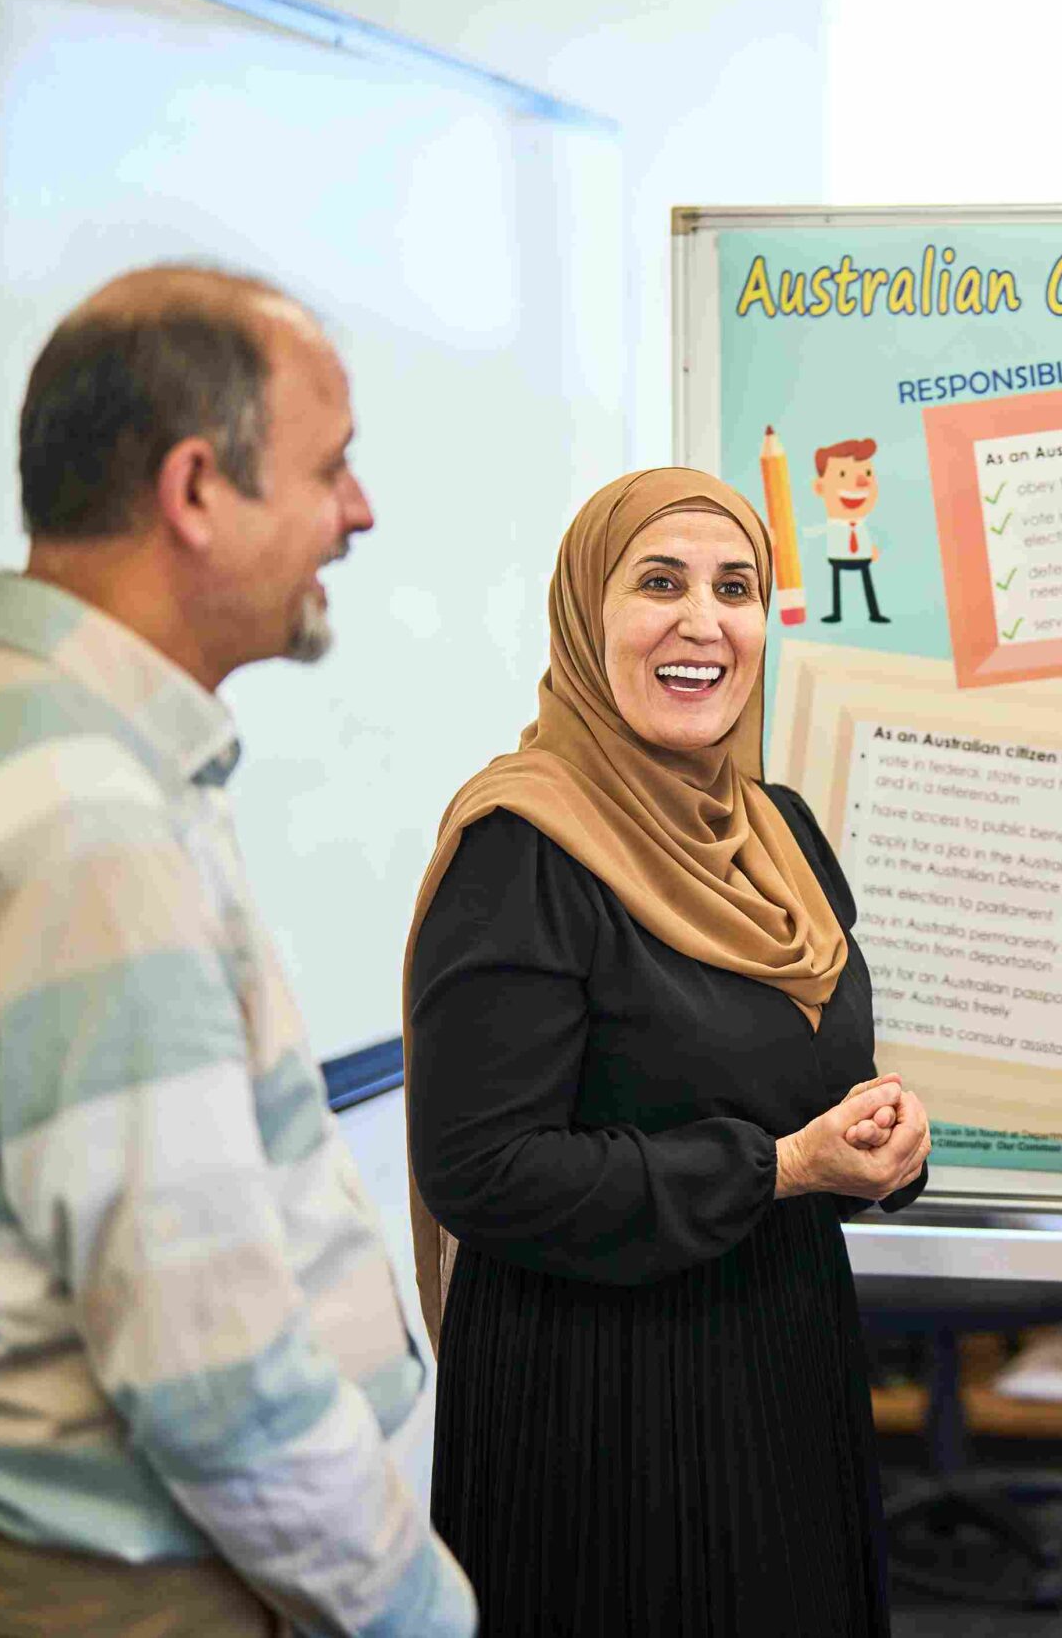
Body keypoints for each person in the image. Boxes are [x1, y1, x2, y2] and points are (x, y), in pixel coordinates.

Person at [0, 267, 473, 1635]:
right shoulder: (80, 821)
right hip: (137, 1591)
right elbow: (213, 1370)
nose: (357, 513)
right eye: (332, 467)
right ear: (196, 491)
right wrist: (421, 1612)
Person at [404, 467, 930, 1636]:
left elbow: (812, 1087)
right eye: (659, 583)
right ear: (589, 618)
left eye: (734, 587)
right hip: (596, 1405)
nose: (703, 622)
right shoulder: (522, 849)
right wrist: (780, 1169)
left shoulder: (778, 830)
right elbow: (482, 1171)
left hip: (781, 1358)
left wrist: (883, 1143)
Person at [815, 436, 888, 622]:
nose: (862, 482)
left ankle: (874, 612)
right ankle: (836, 613)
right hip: (837, 556)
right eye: (842, 474)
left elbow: (873, 537)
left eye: (868, 473)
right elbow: (813, 532)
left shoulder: (861, 524)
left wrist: (872, 549)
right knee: (836, 586)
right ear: (820, 487)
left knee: (867, 583)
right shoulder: (833, 525)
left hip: (862, 556)